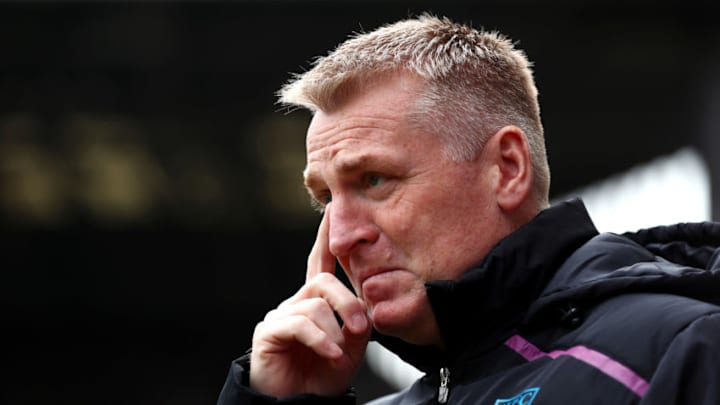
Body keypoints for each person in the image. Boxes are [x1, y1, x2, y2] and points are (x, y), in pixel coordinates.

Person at [217, 13, 720, 405]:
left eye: (373, 180)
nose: (342, 238)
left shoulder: (680, 351)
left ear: (506, 169)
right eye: (326, 199)